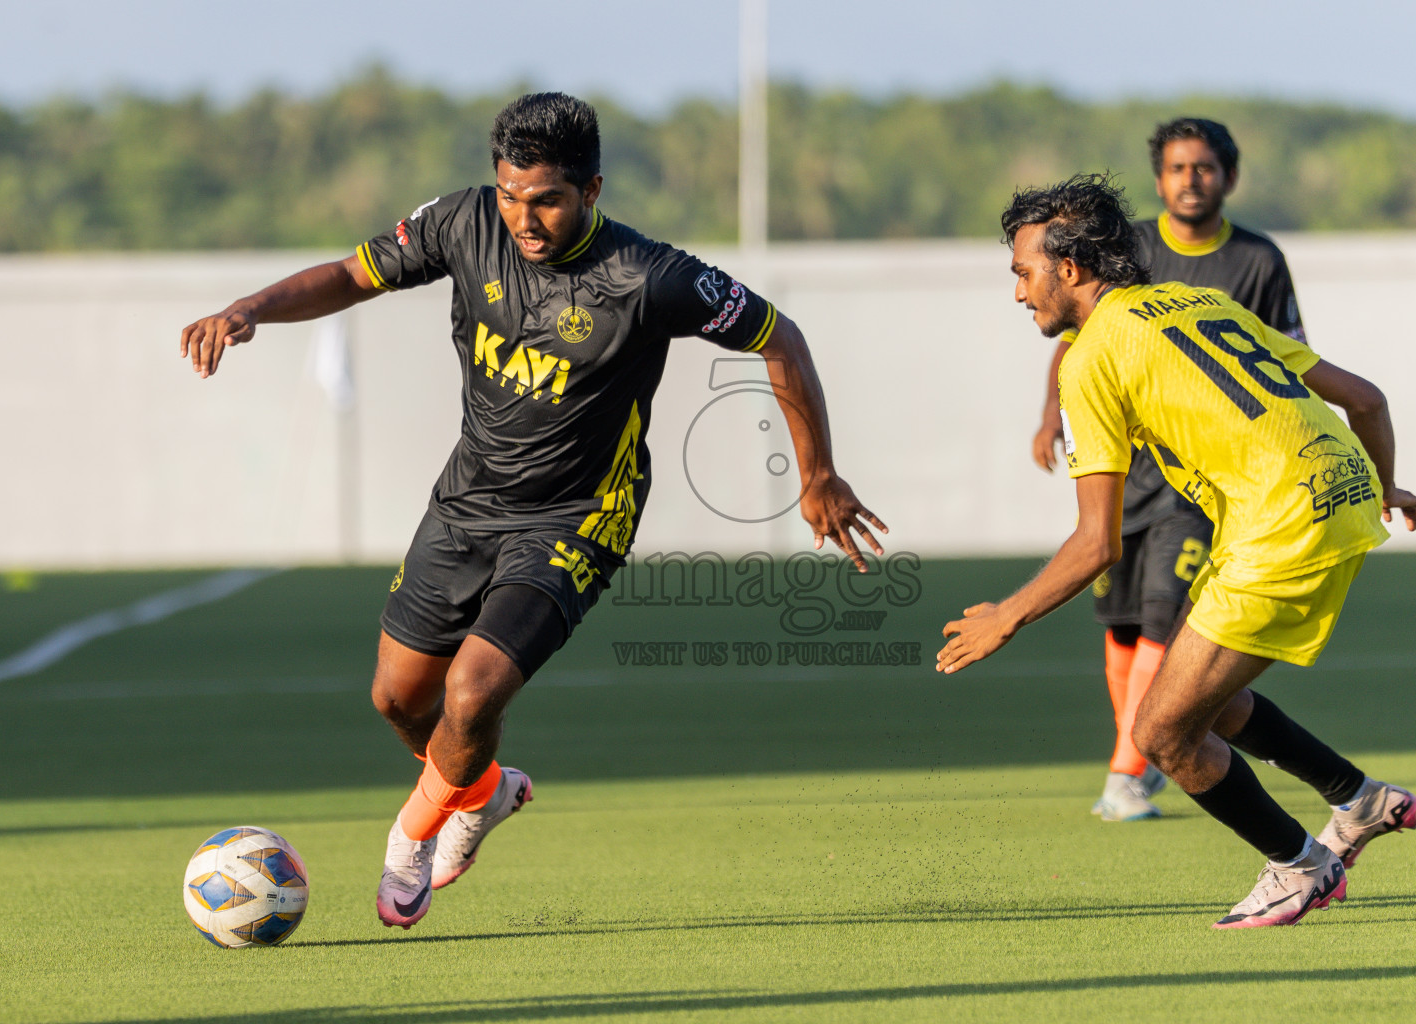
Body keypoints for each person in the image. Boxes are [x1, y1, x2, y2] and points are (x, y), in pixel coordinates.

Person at [179, 92, 886, 929]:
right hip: (466, 501)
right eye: (511, 195)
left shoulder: (650, 276)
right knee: (399, 699)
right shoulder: (461, 222)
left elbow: (778, 335)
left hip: (579, 514)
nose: (524, 218)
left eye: (546, 199)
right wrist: (248, 309)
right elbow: (353, 274)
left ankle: (411, 835)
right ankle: (482, 793)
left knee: (472, 691)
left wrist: (818, 474)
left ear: (591, 189)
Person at [939, 174, 1416, 929]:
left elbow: (1096, 542)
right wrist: (1386, 484)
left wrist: (1007, 615)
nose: (1018, 292)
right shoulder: (1199, 301)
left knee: (1161, 732)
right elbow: (1365, 399)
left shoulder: (1088, 359)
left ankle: (1302, 867)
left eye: (1023, 272)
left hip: (1282, 523)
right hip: (1338, 492)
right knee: (1206, 695)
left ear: (1068, 268)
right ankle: (1358, 799)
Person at [1030, 118, 1308, 823]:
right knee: (1124, 628)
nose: (1191, 180)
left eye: (1204, 167)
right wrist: (1051, 415)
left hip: (1198, 476)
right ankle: (1140, 759)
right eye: (1178, 168)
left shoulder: (1257, 260)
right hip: (1126, 467)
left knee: (1164, 618)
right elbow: (1076, 334)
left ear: (1229, 177)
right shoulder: (1129, 248)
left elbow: (1280, 355)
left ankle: (1131, 768)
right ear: (1159, 180)